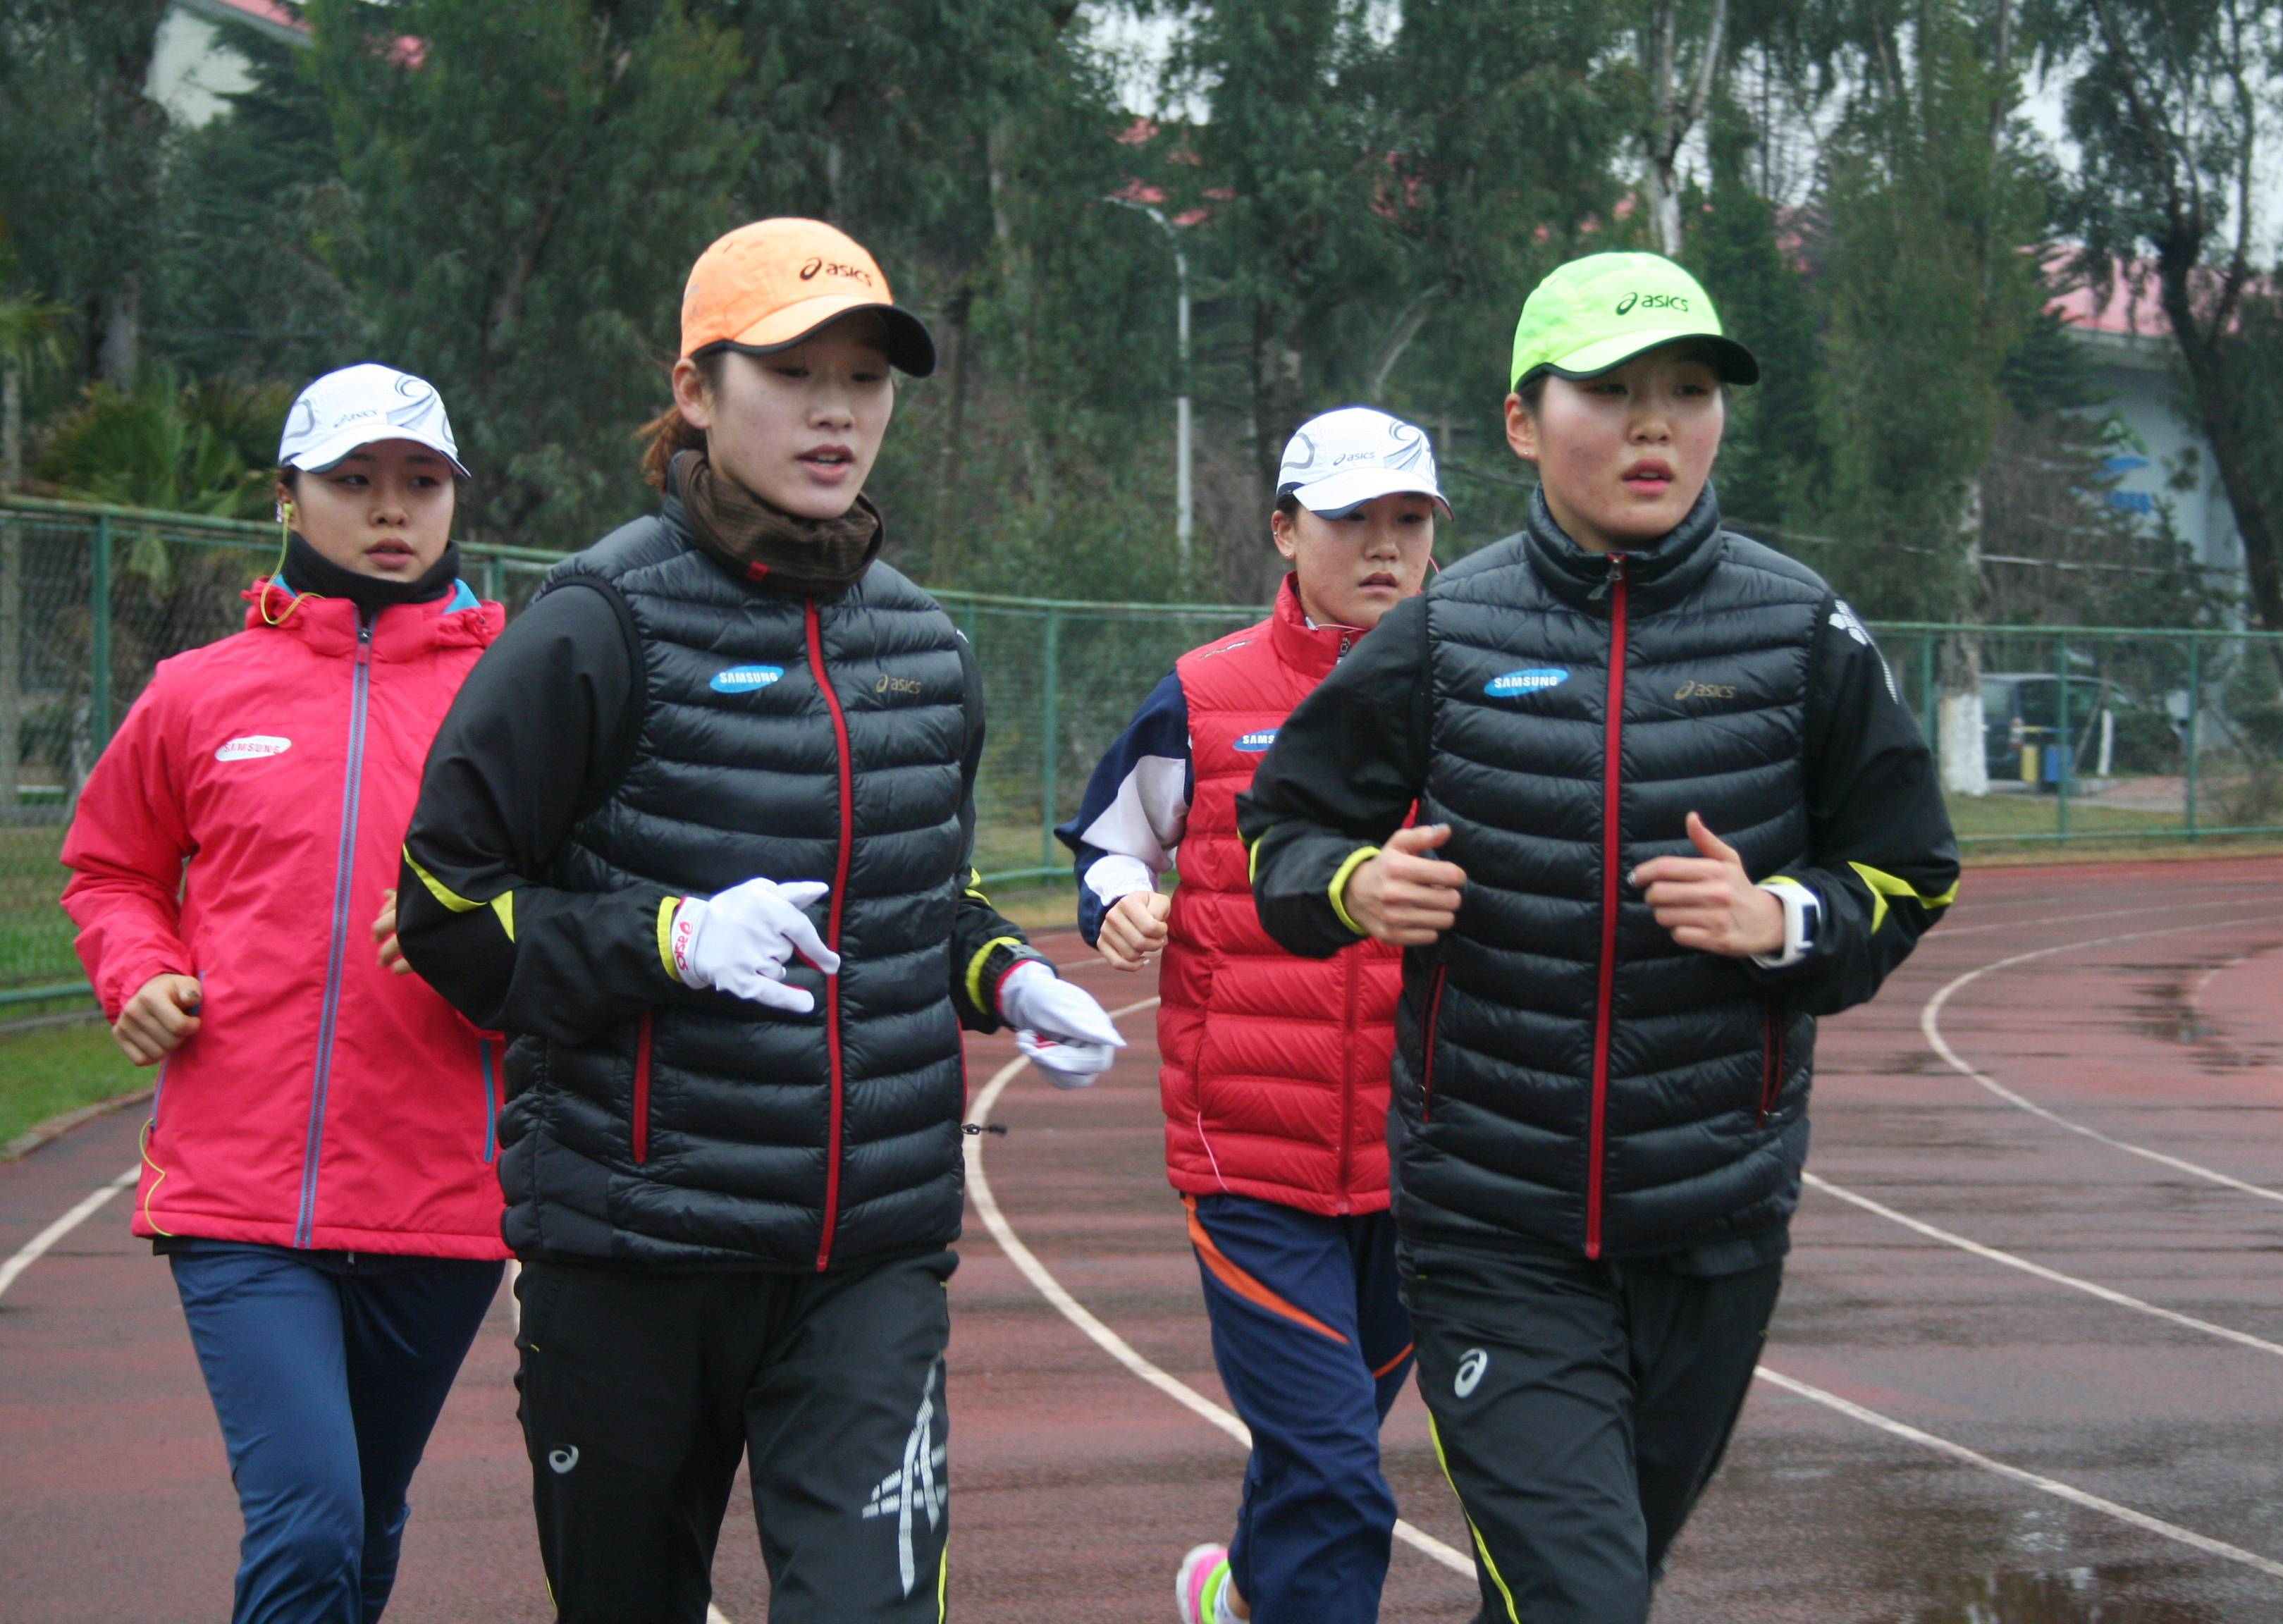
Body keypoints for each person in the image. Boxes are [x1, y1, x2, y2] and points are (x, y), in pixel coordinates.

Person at [390, 218, 1122, 1624]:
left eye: (867, 375)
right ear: (695, 388)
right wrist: (663, 937)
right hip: (631, 1252)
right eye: (793, 371)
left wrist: (1003, 972)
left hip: (870, 1255)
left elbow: (919, 898)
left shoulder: (927, 649)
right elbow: (445, 914)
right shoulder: (596, 624)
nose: (838, 408)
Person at [1236, 252, 1961, 1624]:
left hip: (1715, 1225)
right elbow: (1283, 839)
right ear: (1523, 420)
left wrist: (1783, 917)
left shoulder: (1801, 632)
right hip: (1491, 1229)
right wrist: (1354, 891)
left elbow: (1909, 869)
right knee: (1582, 1597)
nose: (1654, 426)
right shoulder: (1446, 633)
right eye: (1613, 392)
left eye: (1687, 392)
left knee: (1593, 1579)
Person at [59, 363, 509, 1624]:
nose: (389, 509)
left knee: (364, 1518)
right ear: (287, 499)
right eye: (353, 481)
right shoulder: (197, 693)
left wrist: (489, 941)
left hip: (443, 1190)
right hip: (241, 1195)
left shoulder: (515, 691)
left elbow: (577, 894)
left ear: (454, 500)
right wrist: (139, 970)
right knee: (308, 1516)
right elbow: (109, 870)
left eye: (420, 483)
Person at [1059, 407, 1446, 1624]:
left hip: (1426, 1158)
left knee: (1311, 1453)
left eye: (1408, 521)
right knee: (1341, 1472)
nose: (1383, 548)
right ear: (1285, 531)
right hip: (1251, 1165)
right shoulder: (1206, 697)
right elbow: (1109, 843)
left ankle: (1238, 1594)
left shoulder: (1482, 695)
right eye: (1350, 521)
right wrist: (1118, 900)